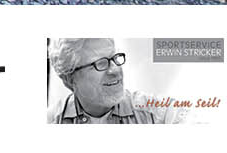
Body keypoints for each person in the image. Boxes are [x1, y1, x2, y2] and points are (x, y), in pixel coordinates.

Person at [46, 39, 183, 124]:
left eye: (114, 58)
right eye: (100, 63)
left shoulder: (155, 113)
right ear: (69, 79)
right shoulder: (50, 121)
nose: (115, 70)